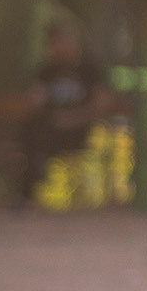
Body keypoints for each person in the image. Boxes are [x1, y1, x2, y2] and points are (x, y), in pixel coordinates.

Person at [17, 22, 117, 204]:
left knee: (39, 135)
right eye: (53, 43)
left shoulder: (91, 69)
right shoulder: (47, 70)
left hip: (83, 129)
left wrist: (73, 118)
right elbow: (33, 98)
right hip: (50, 128)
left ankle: (35, 188)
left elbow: (101, 105)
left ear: (74, 42)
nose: (57, 48)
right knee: (32, 133)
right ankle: (28, 195)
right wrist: (35, 98)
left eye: (60, 42)